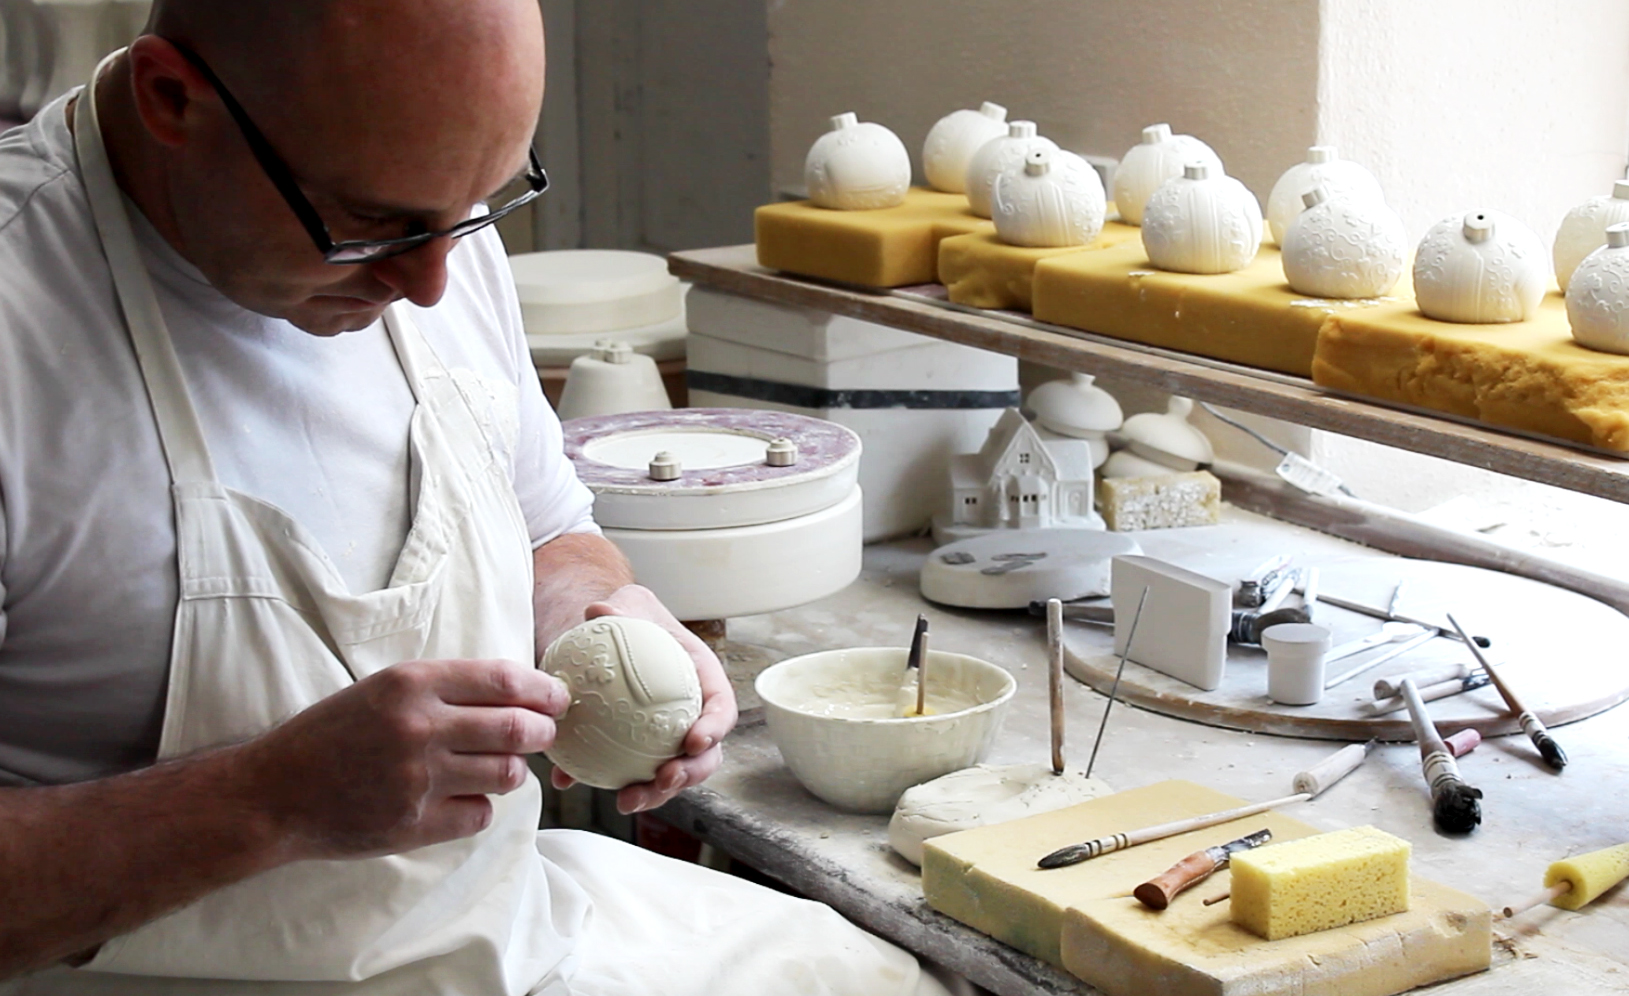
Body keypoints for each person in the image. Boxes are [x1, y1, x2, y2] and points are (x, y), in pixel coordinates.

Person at [0, 2, 958, 993]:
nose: (430, 284)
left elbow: (548, 528)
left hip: (502, 932)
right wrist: (264, 802)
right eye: (372, 224)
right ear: (171, 99)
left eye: (479, 206)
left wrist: (599, 620)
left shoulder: (429, 219)